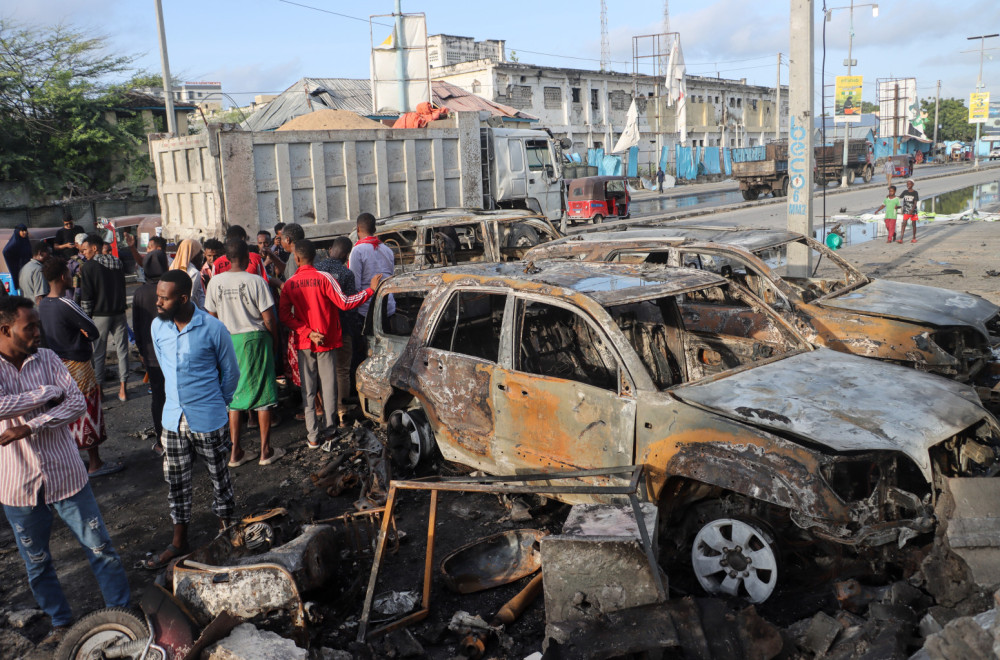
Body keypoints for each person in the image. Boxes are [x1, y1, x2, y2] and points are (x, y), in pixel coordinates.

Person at [0, 296, 130, 637]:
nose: (38, 333)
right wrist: (45, 393)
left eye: (37, 325)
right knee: (37, 563)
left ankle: (121, 614)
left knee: (100, 548)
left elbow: (75, 403)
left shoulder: (47, 357)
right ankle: (60, 621)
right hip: (19, 486)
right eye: (29, 327)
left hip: (67, 475)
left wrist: (30, 425)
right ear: (5, 330)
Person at [146, 270, 240, 569]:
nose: (157, 302)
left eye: (164, 297)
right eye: (157, 296)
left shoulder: (213, 328)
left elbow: (231, 373)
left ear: (183, 298)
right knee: (176, 482)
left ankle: (228, 537)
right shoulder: (157, 328)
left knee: (219, 479)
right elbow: (164, 368)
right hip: (173, 420)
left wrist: (216, 403)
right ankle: (178, 542)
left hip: (209, 418)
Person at [279, 239, 381, 448]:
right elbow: (345, 302)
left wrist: (307, 332)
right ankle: (329, 432)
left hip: (305, 343)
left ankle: (313, 436)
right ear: (315, 258)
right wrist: (370, 290)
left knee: (308, 390)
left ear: (296, 258)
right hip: (327, 340)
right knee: (328, 387)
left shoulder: (290, 283)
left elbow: (284, 316)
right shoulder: (324, 278)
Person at [38, 258, 123, 477]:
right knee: (87, 409)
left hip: (57, 366)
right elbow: (92, 331)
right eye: (68, 273)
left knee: (68, 412)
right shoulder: (66, 304)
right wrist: (81, 336)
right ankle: (95, 463)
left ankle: (75, 462)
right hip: (78, 364)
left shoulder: (43, 305)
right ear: (62, 277)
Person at [205, 239, 283, 468]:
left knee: (234, 397)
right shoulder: (256, 281)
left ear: (226, 259)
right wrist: (275, 341)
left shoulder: (215, 282)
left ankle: (235, 452)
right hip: (255, 339)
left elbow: (211, 317)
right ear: (249, 259)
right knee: (263, 395)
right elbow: (269, 319)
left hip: (228, 340)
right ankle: (265, 451)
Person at [316, 237, 361, 425]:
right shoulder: (346, 274)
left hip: (319, 329)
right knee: (342, 370)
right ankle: (342, 413)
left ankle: (327, 411)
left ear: (330, 249)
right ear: (345, 255)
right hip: (342, 327)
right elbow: (349, 305)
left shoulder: (317, 270)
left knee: (323, 371)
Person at [79, 234, 129, 402]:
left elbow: (86, 297)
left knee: (99, 353)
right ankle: (123, 389)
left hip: (100, 315)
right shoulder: (117, 263)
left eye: (85, 250)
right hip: (119, 312)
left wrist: (85, 319)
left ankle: (100, 392)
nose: (83, 253)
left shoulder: (88, 267)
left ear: (94, 248)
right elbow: (122, 287)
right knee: (122, 351)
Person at [133, 250, 170, 454]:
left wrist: (140, 350)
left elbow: (137, 325)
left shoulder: (140, 292)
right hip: (171, 352)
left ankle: (161, 440)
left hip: (151, 354)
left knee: (158, 397)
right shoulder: (168, 288)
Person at [349, 213, 394, 321]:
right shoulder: (388, 250)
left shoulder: (357, 251)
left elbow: (355, 284)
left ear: (358, 229)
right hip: (388, 307)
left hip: (366, 310)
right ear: (374, 229)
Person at [169, 239, 207, 310]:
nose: (202, 256)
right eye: (199, 253)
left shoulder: (172, 266)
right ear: (193, 254)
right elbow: (190, 298)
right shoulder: (194, 272)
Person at [4, 224, 33, 292]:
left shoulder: (25, 240)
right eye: (22, 231)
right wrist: (16, 260)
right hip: (20, 269)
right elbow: (6, 251)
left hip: (28, 267)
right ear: (18, 231)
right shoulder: (15, 242)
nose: (24, 232)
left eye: (25, 230)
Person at [898, 179, 920, 243]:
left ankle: (914, 237)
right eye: (907, 184)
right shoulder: (905, 192)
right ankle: (901, 239)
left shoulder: (915, 192)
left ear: (913, 185)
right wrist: (892, 196)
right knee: (904, 223)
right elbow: (900, 197)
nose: (908, 185)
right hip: (906, 211)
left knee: (913, 224)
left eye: (910, 184)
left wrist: (912, 210)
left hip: (913, 211)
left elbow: (915, 202)